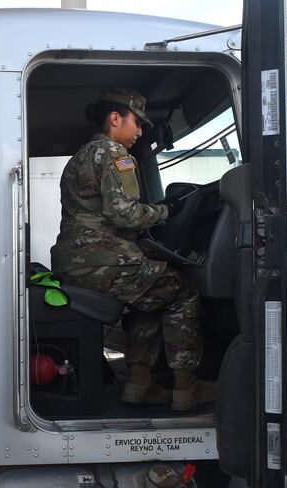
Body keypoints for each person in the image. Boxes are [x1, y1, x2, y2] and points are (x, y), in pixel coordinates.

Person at [50, 87, 213, 412]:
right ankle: (186, 388)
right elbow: (123, 212)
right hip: (107, 262)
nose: (139, 132)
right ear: (115, 118)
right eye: (136, 123)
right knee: (181, 290)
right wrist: (165, 211)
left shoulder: (79, 157)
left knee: (150, 297)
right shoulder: (115, 154)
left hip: (74, 264)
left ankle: (140, 385)